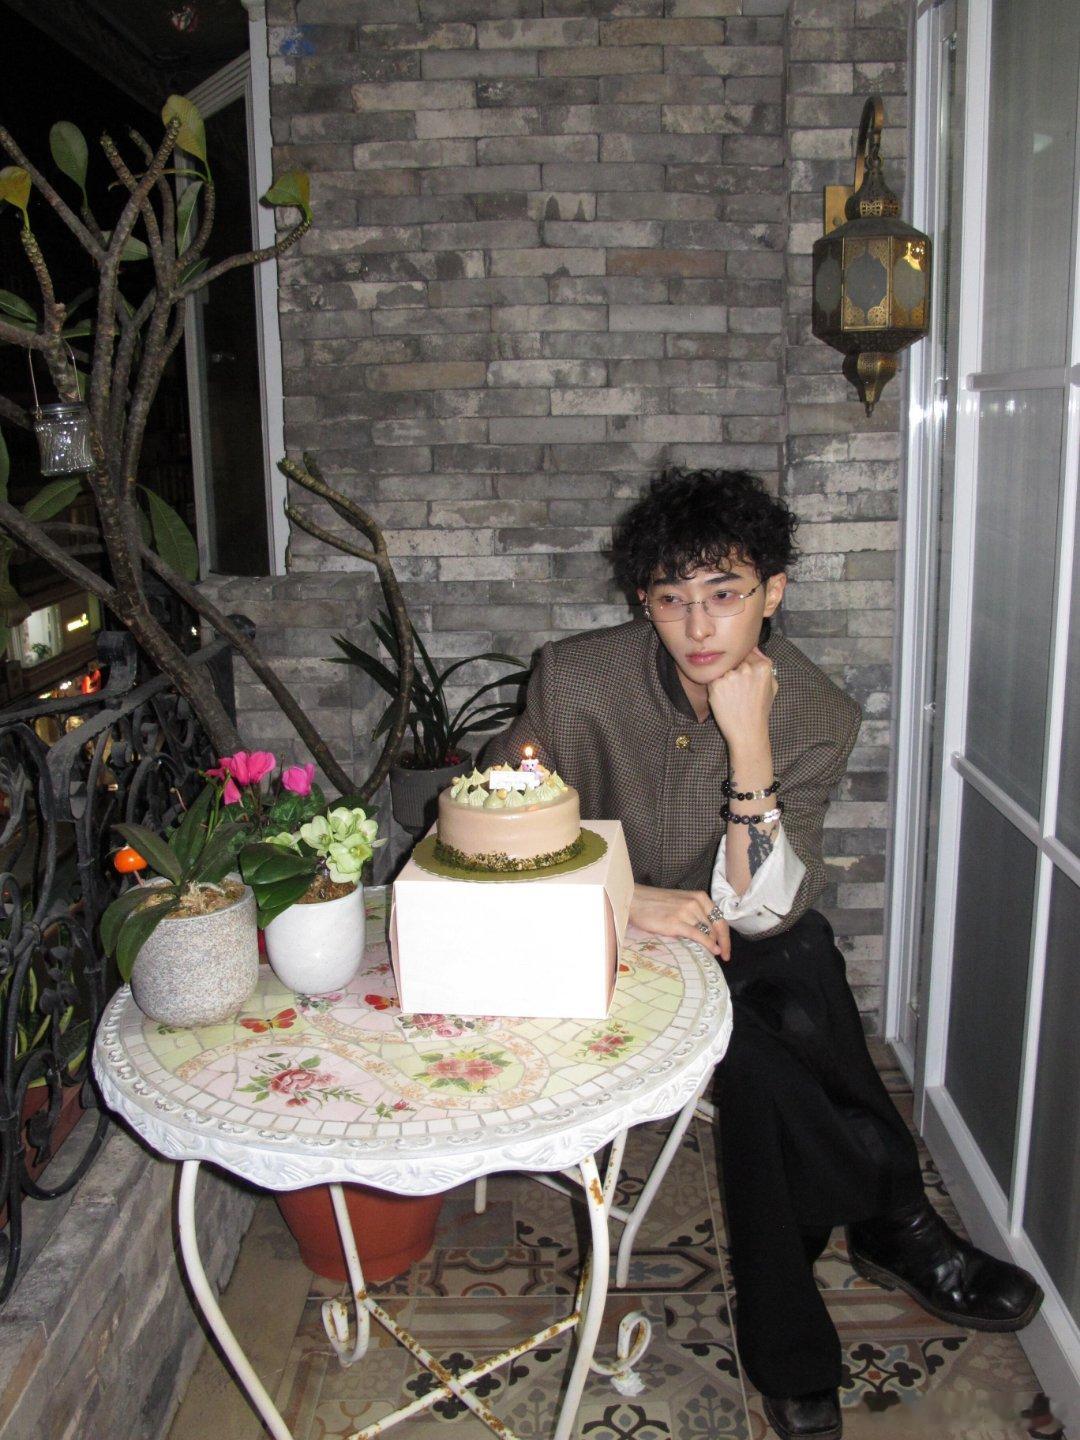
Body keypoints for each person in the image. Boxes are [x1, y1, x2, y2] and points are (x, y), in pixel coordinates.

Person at [486, 468, 1041, 1440]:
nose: (699, 627)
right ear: (645, 601)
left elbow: (766, 911)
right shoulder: (575, 679)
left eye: (725, 593)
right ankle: (894, 1213)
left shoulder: (816, 713)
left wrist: (750, 748)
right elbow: (485, 824)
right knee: (766, 1028)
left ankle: (796, 1346)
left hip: (739, 942)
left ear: (772, 591)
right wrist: (624, 898)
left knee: (781, 991)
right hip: (601, 943)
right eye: (672, 599)